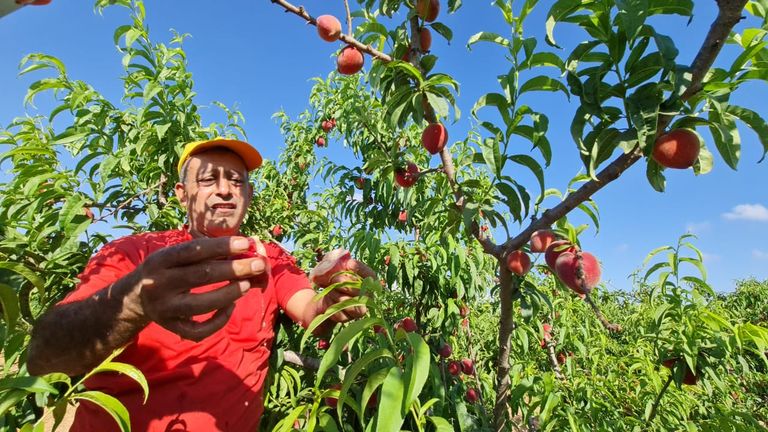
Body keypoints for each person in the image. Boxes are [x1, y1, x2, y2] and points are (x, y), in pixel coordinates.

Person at [27, 138, 373, 431]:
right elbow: (44, 358)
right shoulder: (135, 254)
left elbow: (312, 311)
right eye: (208, 179)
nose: (224, 189)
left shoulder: (269, 258)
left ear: (249, 194)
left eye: (236, 181)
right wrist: (134, 302)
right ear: (182, 193)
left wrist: (337, 295)